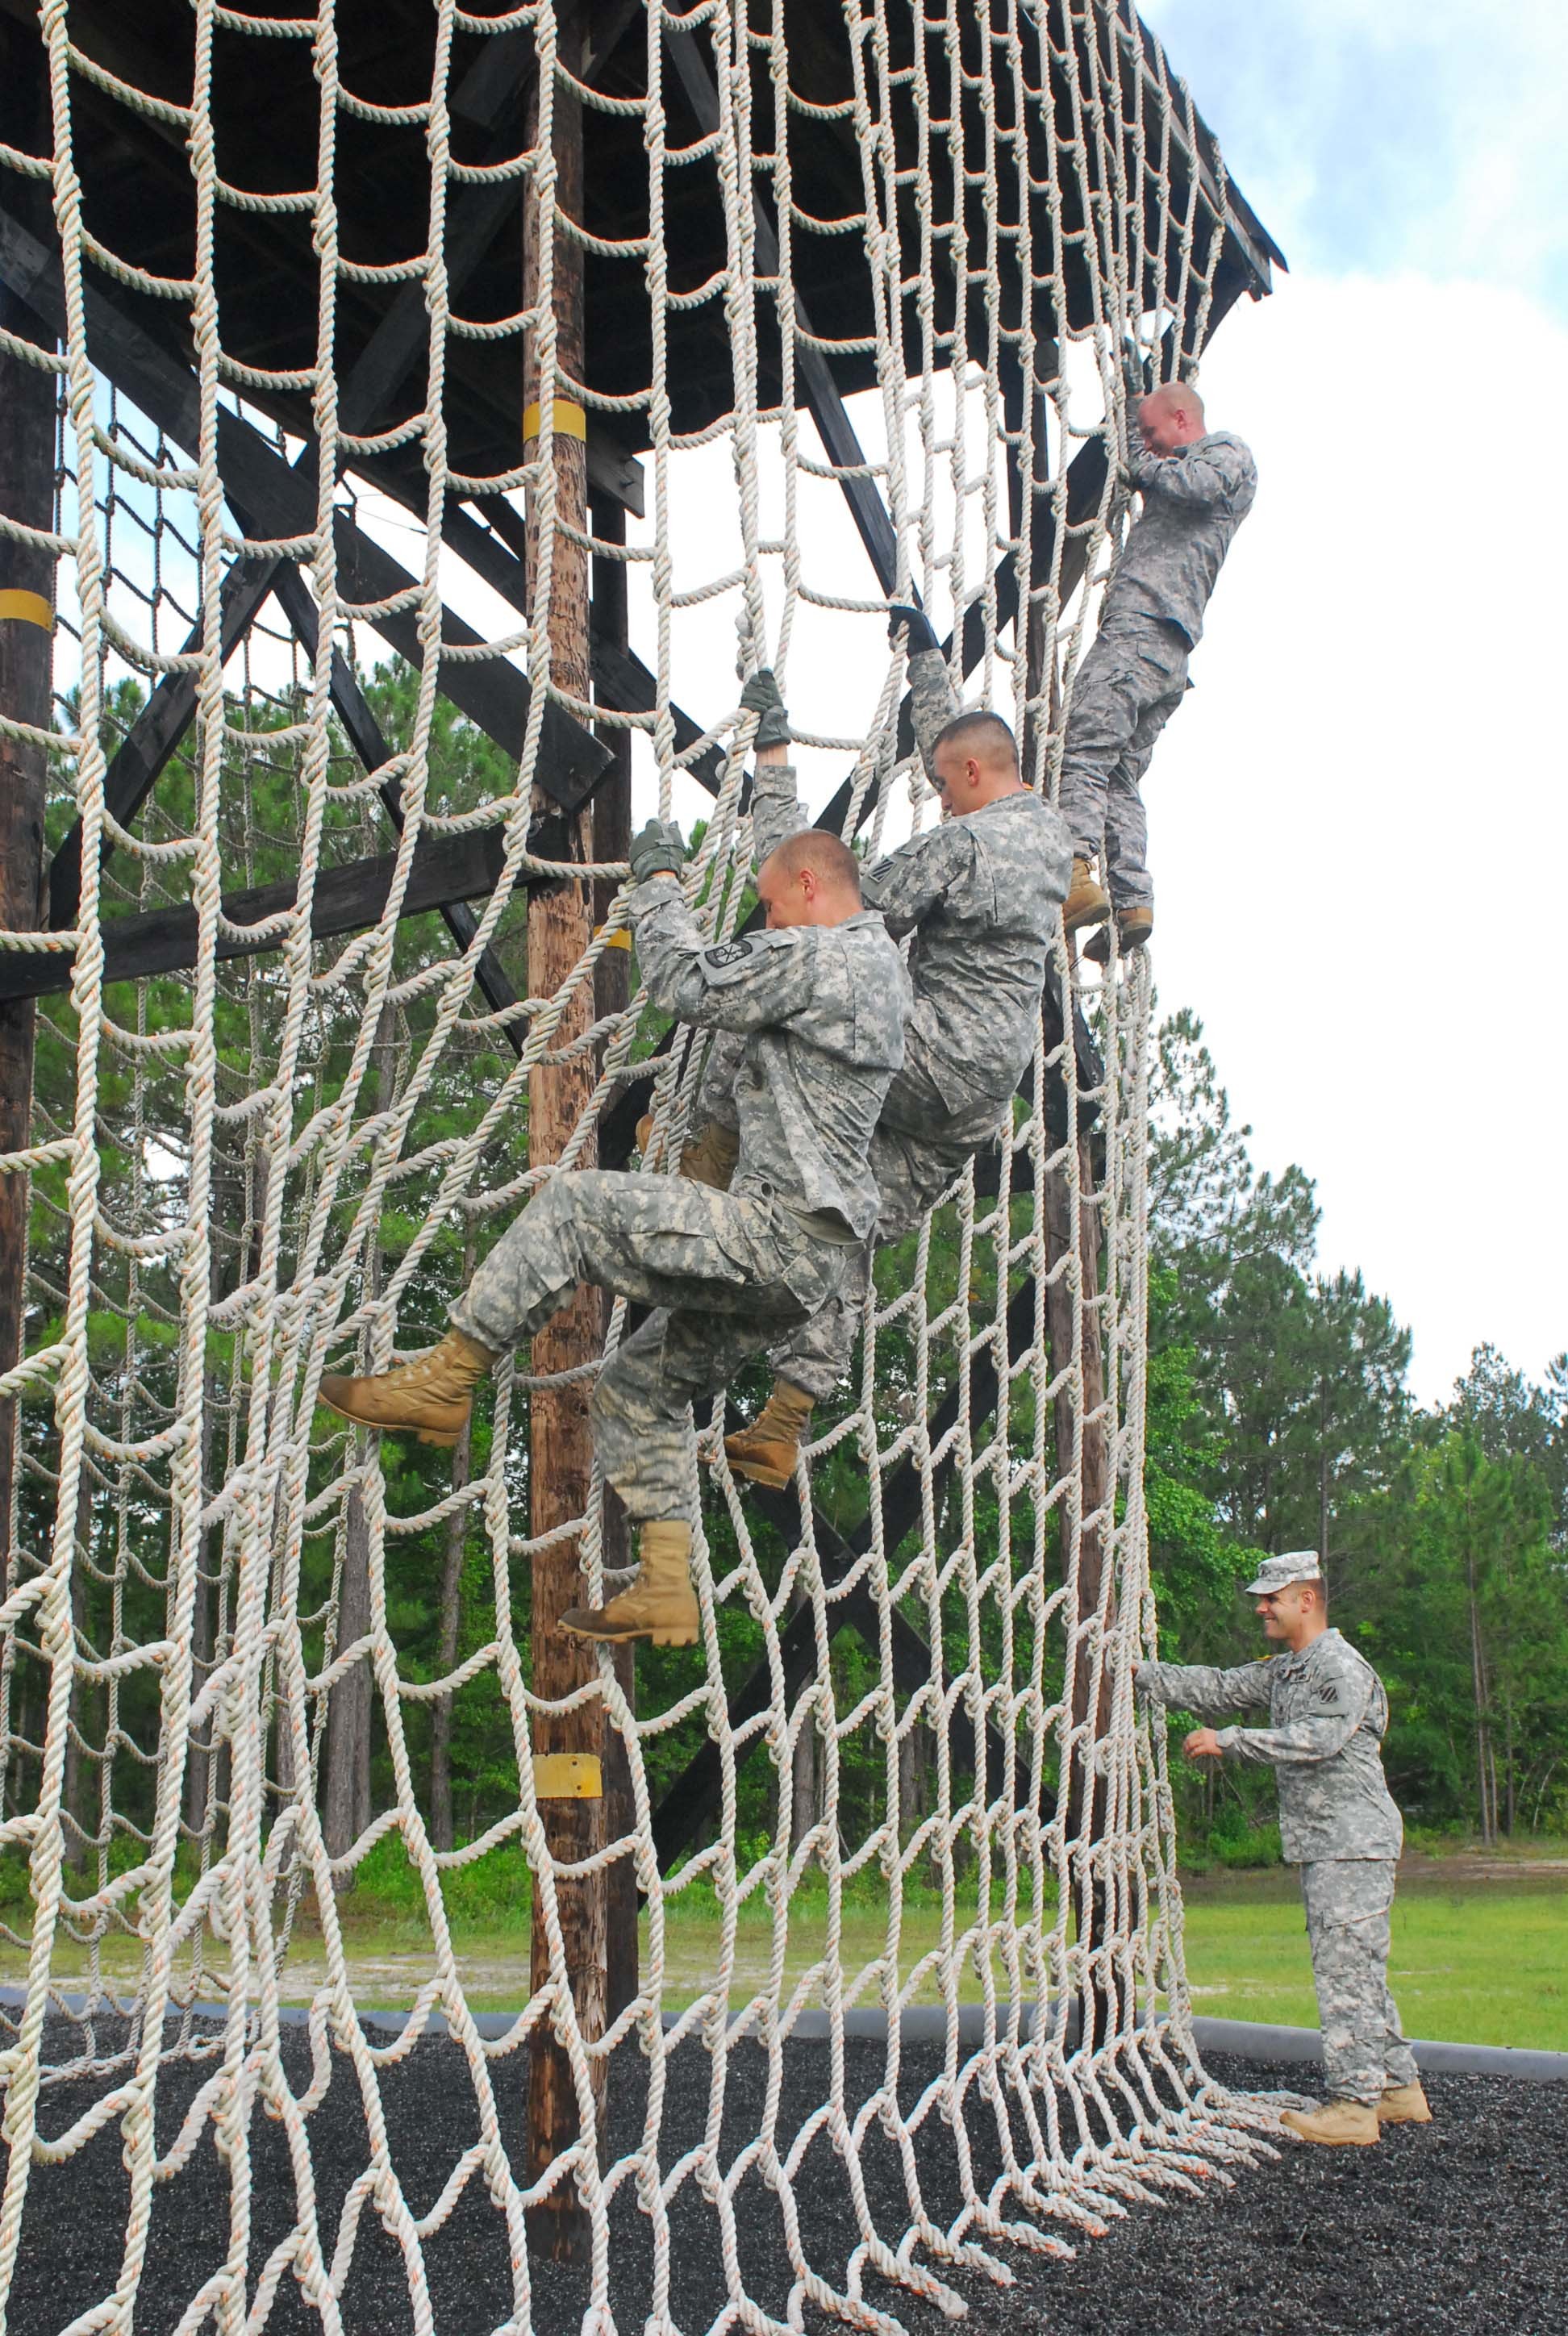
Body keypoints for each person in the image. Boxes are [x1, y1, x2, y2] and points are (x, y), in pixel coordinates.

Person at [318, 814, 908, 1646]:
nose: (770, 924)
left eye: (772, 907)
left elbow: (682, 983)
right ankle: (668, 1586)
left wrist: (659, 883)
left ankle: (447, 1379)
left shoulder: (824, 956)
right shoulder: (880, 969)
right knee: (636, 1387)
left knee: (574, 1208)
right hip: (807, 1270)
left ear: (812, 886)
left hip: (775, 1236)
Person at [675, 632, 1070, 1491]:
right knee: (839, 1213)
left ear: (968, 780)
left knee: (790, 995)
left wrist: (775, 769)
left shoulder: (964, 847)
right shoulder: (1050, 833)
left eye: (942, 788)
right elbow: (960, 740)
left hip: (928, 1054)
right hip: (975, 1102)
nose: (940, 798)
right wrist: (927, 657)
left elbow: (840, 898)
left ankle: (706, 1153)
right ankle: (783, 1421)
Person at [1136, 1552, 1432, 2147]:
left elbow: (1319, 1740)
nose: (1261, 1606)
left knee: (1345, 1970)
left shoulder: (1340, 1669)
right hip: (1330, 1843)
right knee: (1358, 1967)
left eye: (1273, 1596)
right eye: (1261, 1597)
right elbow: (1218, 1687)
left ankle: (1354, 2106)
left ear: (1307, 1600)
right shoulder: (1287, 1669)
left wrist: (1232, 1741)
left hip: (1354, 1843)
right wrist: (1141, 1673)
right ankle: (1399, 2090)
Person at [1059, 369, 1256, 962]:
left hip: (1142, 633)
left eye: (1153, 431)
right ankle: (1131, 899)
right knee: (1119, 776)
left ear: (1182, 419)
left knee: (1085, 749)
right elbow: (1170, 472)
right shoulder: (1181, 468)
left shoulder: (1226, 453)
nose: (1148, 445)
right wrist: (1132, 417)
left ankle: (1072, 869)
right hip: (1164, 655)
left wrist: (1137, 462)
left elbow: (1192, 481)